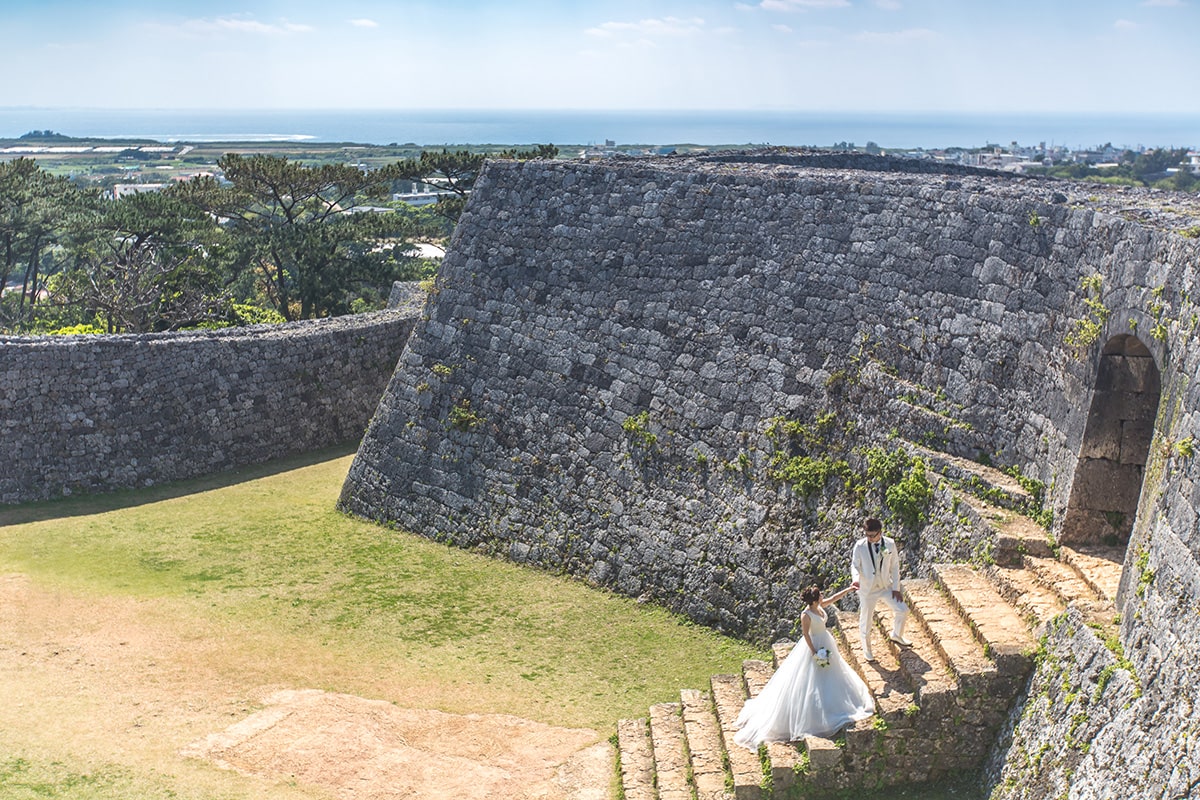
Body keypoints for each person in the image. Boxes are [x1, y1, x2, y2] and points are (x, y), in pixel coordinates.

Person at [733, 584, 875, 749]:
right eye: (820, 595)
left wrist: (849, 589)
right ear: (814, 600)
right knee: (812, 679)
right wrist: (815, 652)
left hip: (826, 642)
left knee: (833, 673)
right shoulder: (806, 615)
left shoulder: (820, 607)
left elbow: (834, 598)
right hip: (815, 645)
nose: (823, 597)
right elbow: (806, 634)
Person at [850, 517, 911, 662]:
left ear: (880, 532)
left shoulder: (890, 544)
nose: (870, 538)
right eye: (867, 535)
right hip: (867, 589)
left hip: (885, 585)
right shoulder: (860, 546)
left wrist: (896, 588)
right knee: (866, 619)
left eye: (873, 535)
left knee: (903, 609)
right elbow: (855, 565)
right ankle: (867, 650)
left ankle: (897, 634)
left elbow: (895, 566)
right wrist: (856, 580)